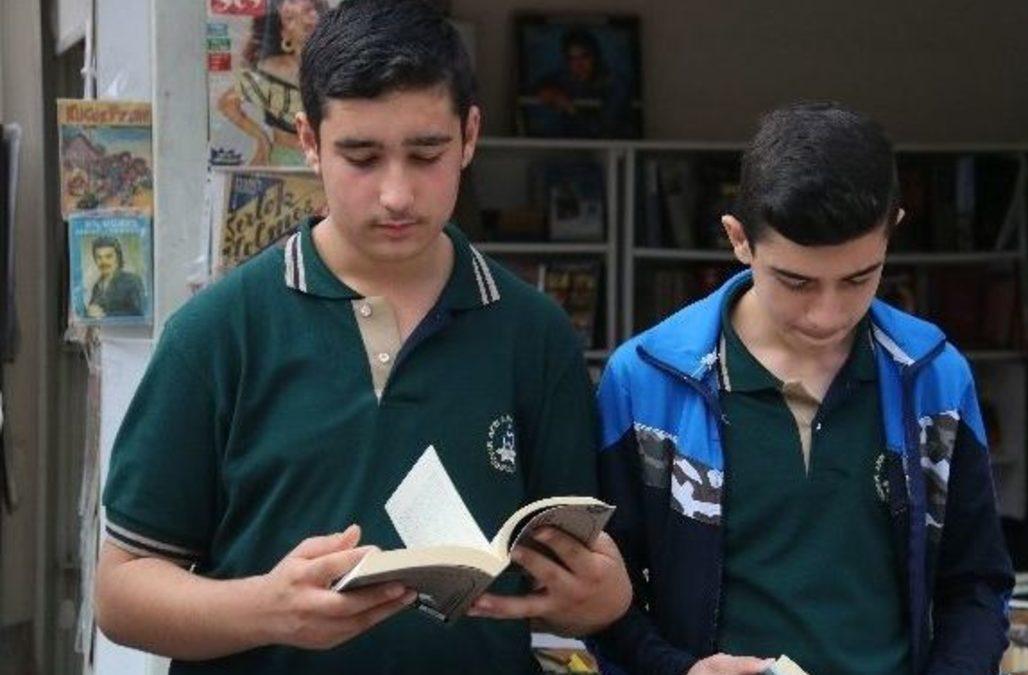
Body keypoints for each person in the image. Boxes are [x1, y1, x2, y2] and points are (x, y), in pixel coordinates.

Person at [95, 1, 631, 673]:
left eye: (426, 154)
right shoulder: (217, 333)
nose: (397, 194)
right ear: (309, 140)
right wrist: (268, 608)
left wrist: (603, 599)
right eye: (362, 157)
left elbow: (566, 580)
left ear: (469, 135)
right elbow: (120, 591)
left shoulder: (535, 334)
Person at [592, 101, 1014, 675]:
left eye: (859, 278)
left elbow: (977, 584)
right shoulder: (645, 381)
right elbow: (601, 593)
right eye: (796, 282)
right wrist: (676, 670)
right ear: (739, 240)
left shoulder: (936, 377)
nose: (827, 314)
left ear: (893, 231)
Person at [217, 0, 328, 165]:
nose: (303, 21)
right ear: (283, 33)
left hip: (331, 162)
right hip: (286, 161)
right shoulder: (271, 68)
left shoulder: (340, 68)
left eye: (308, 12)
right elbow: (227, 103)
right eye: (290, 18)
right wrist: (261, 138)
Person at [528, 27, 635, 138]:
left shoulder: (616, 84)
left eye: (585, 57)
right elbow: (536, 85)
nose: (579, 65)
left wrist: (570, 109)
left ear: (596, 57)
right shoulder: (566, 77)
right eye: (572, 59)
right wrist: (546, 91)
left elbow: (604, 129)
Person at [86, 235, 144, 318]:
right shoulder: (97, 286)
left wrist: (105, 315)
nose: (103, 261)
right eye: (99, 257)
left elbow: (140, 313)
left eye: (108, 256)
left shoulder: (132, 281)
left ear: (118, 258)